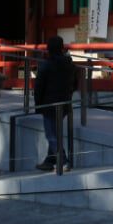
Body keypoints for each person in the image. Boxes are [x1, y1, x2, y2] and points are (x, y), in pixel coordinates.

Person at [34, 35, 77, 171]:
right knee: (54, 132)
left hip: (49, 104)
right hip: (65, 102)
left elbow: (39, 87)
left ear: (48, 49)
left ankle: (64, 161)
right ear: (62, 47)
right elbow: (75, 83)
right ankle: (49, 161)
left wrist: (38, 104)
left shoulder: (46, 65)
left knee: (52, 135)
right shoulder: (69, 64)